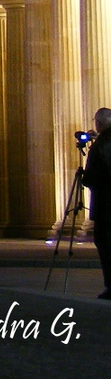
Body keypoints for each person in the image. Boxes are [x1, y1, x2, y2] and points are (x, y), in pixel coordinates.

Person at [82, 107, 111, 301]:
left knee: (106, 244)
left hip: (106, 204)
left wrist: (85, 178)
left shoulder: (102, 143)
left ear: (98, 124)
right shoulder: (103, 141)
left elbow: (95, 174)